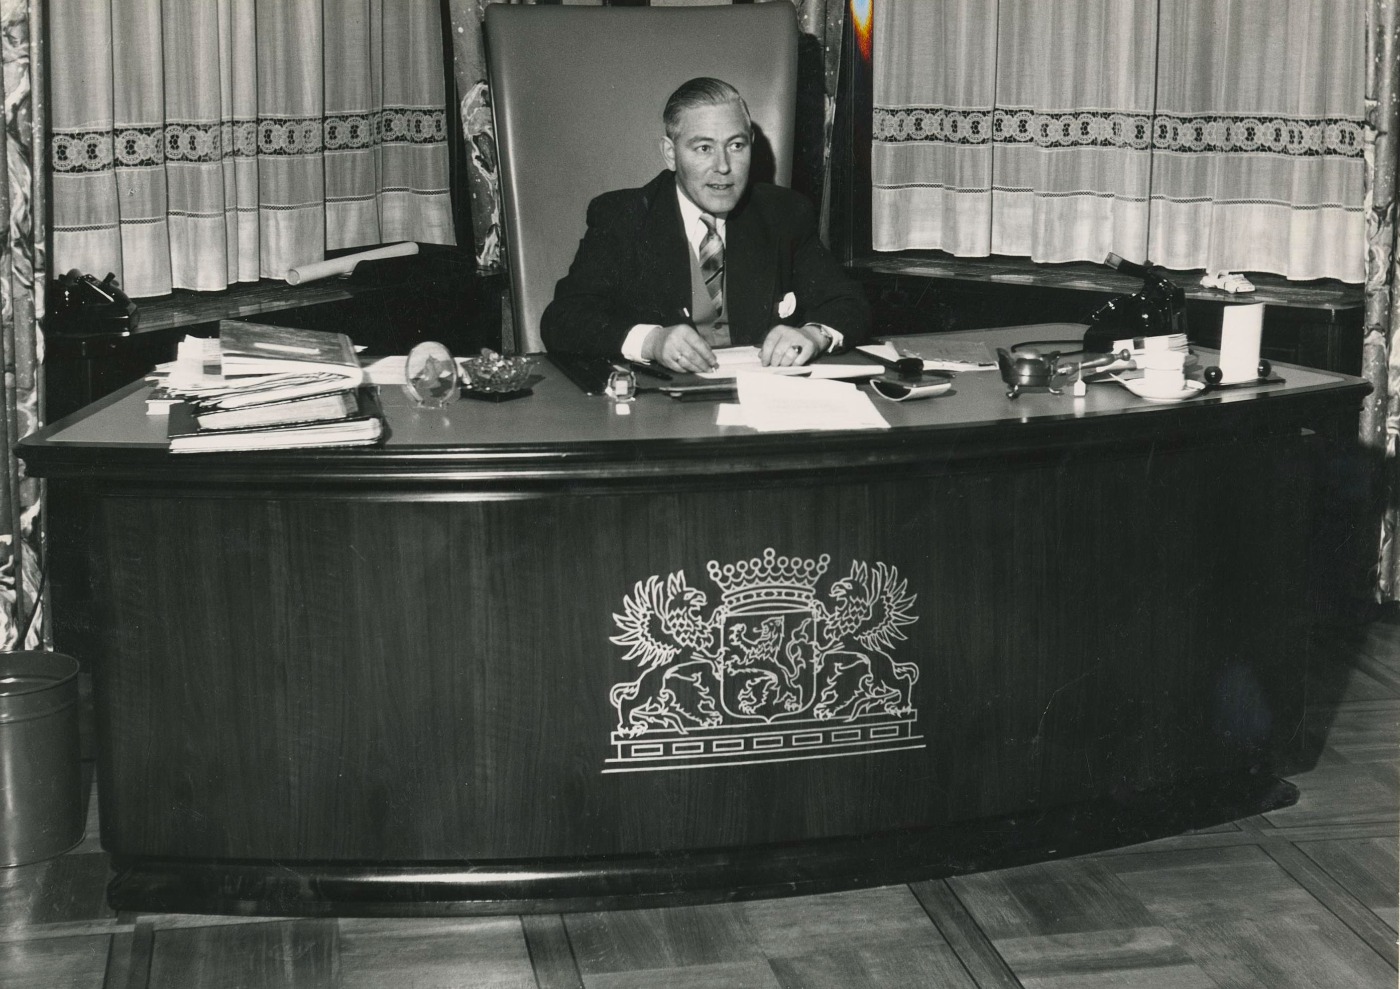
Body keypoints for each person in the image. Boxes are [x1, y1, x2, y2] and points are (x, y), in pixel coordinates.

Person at [540, 77, 870, 373]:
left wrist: (813, 335)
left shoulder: (783, 213)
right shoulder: (623, 216)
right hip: (662, 410)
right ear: (670, 154)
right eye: (703, 148)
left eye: (736, 145)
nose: (723, 166)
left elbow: (849, 304)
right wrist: (652, 342)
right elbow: (563, 319)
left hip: (761, 401)